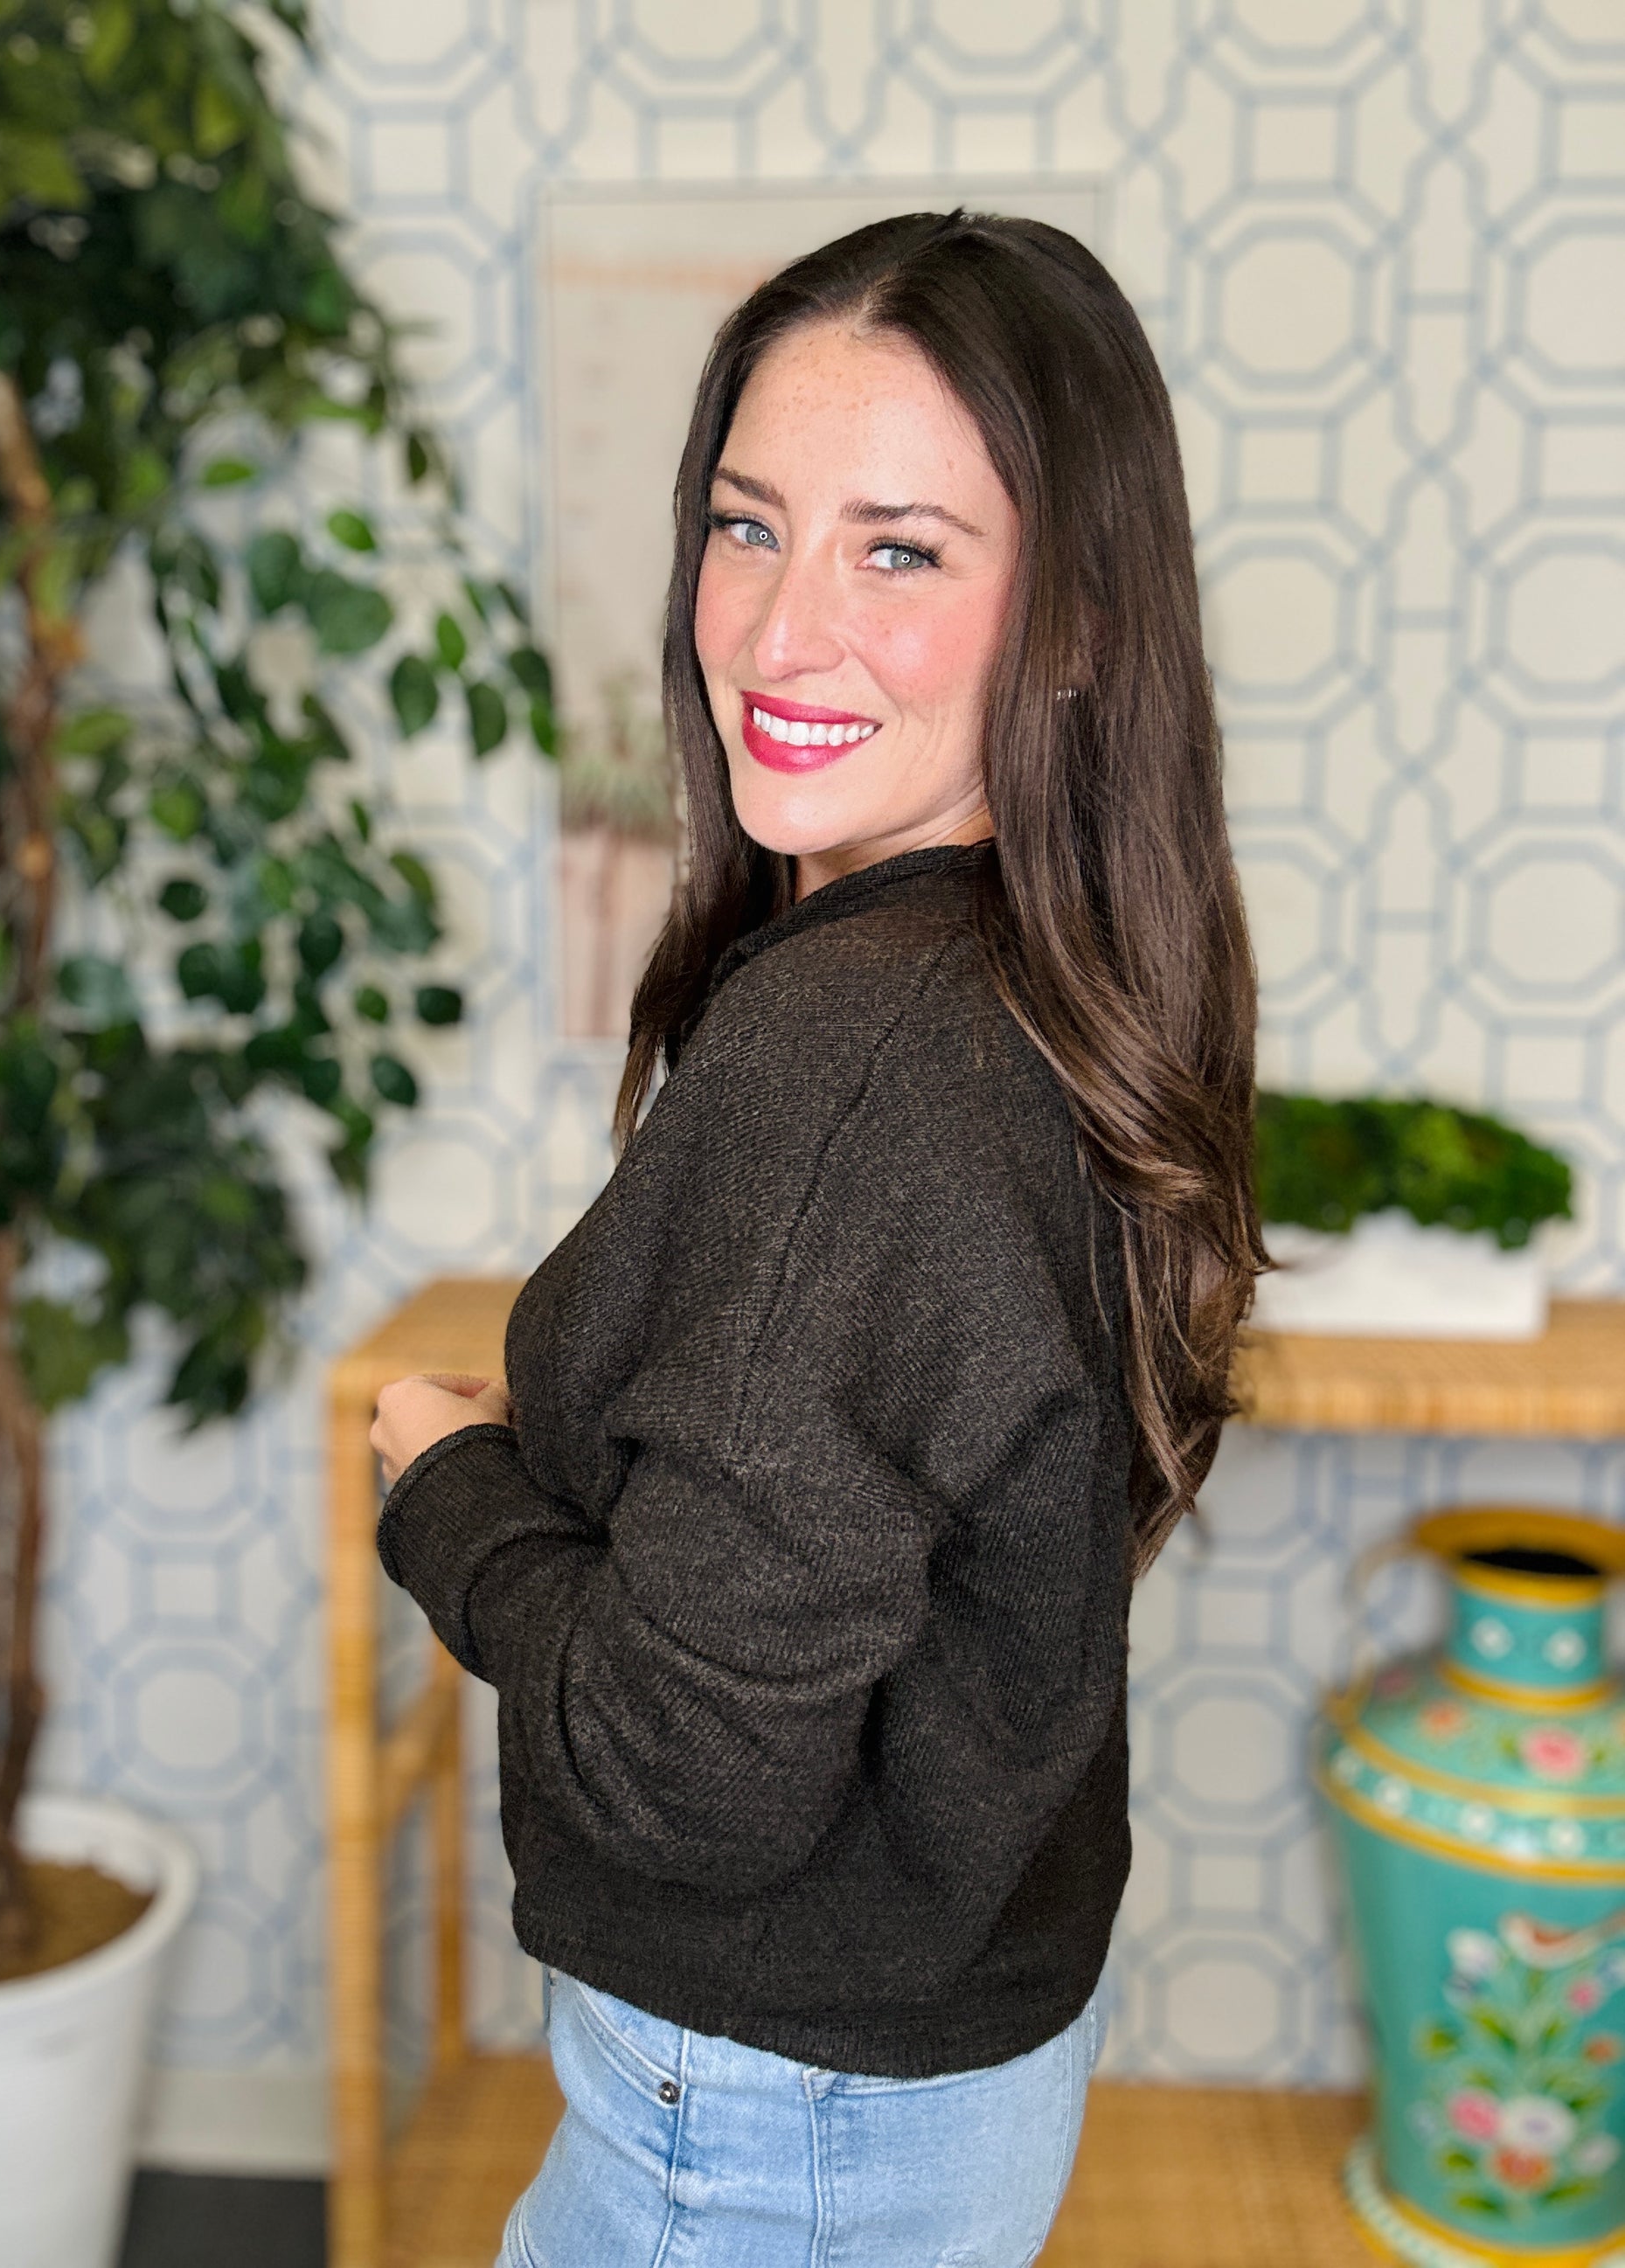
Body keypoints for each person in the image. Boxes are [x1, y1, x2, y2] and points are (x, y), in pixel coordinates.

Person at [370, 208, 1264, 2268]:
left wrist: (449, 1487)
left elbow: (678, 1773)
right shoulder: (1046, 978)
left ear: (1075, 615)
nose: (779, 633)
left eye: (901, 551)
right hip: (915, 2059)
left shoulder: (857, 1062)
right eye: (747, 525)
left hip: (769, 2117)